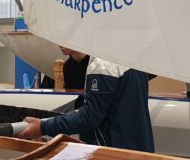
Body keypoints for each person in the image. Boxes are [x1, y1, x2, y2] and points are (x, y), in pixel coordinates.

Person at [17, 58, 154, 152]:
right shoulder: (134, 62)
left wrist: (43, 127)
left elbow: (89, 117)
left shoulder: (104, 65)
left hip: (112, 158)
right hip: (139, 153)